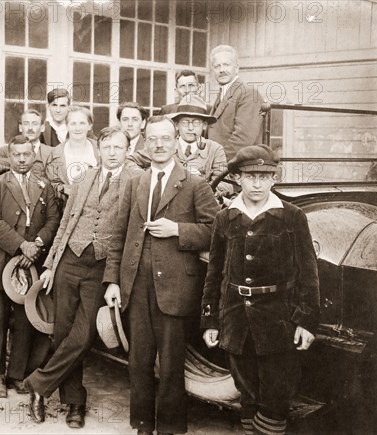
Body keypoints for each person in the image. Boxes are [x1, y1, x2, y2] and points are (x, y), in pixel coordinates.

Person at [103, 116, 219, 435]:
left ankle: (169, 427)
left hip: (176, 288)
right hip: (136, 286)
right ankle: (142, 425)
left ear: (176, 140)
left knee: (170, 365)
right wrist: (113, 281)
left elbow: (215, 231)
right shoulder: (135, 181)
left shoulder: (195, 184)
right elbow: (118, 233)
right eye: (152, 139)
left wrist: (178, 230)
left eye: (165, 138)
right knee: (138, 362)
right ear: (144, 141)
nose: (158, 144)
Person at [201, 145, 320, 435]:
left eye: (265, 176)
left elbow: (308, 272)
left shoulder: (292, 217)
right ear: (238, 178)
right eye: (250, 176)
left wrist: (305, 320)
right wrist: (211, 320)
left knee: (275, 396)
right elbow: (215, 273)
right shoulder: (224, 218)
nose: (257, 183)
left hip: (279, 320)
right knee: (247, 392)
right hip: (236, 319)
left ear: (274, 180)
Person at [25, 126, 138, 428]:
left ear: (127, 150)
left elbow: (129, 234)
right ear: (99, 149)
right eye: (107, 146)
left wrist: (115, 278)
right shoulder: (84, 177)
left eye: (118, 147)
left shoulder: (135, 181)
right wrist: (50, 264)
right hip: (69, 261)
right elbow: (65, 223)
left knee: (84, 334)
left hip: (102, 266)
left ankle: (38, 384)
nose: (112, 152)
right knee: (63, 333)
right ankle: (75, 403)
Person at [0, 135, 60, 399]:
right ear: (9, 156)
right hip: (1, 260)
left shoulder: (43, 185)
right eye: (17, 155)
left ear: (33, 156)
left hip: (31, 262)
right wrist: (20, 245)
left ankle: (17, 374)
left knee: (26, 320)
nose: (22, 159)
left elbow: (53, 220)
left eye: (26, 154)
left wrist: (35, 244)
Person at [128, 95, 228, 186]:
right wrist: (147, 176)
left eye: (196, 122)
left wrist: (203, 191)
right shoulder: (164, 145)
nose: (190, 128)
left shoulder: (215, 150)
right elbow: (129, 160)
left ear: (205, 125)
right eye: (185, 122)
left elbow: (225, 182)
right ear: (176, 125)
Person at [207, 45, 264, 160]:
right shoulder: (222, 93)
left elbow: (243, 139)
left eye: (226, 65)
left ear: (237, 68)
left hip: (238, 168)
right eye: (217, 66)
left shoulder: (248, 93)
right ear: (213, 71)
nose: (222, 70)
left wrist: (216, 163)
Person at [46, 105, 99, 207]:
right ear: (67, 125)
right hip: (65, 209)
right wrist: (66, 190)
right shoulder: (56, 154)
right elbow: (52, 185)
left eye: (82, 123)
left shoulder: (99, 149)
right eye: (73, 123)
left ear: (90, 126)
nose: (77, 128)